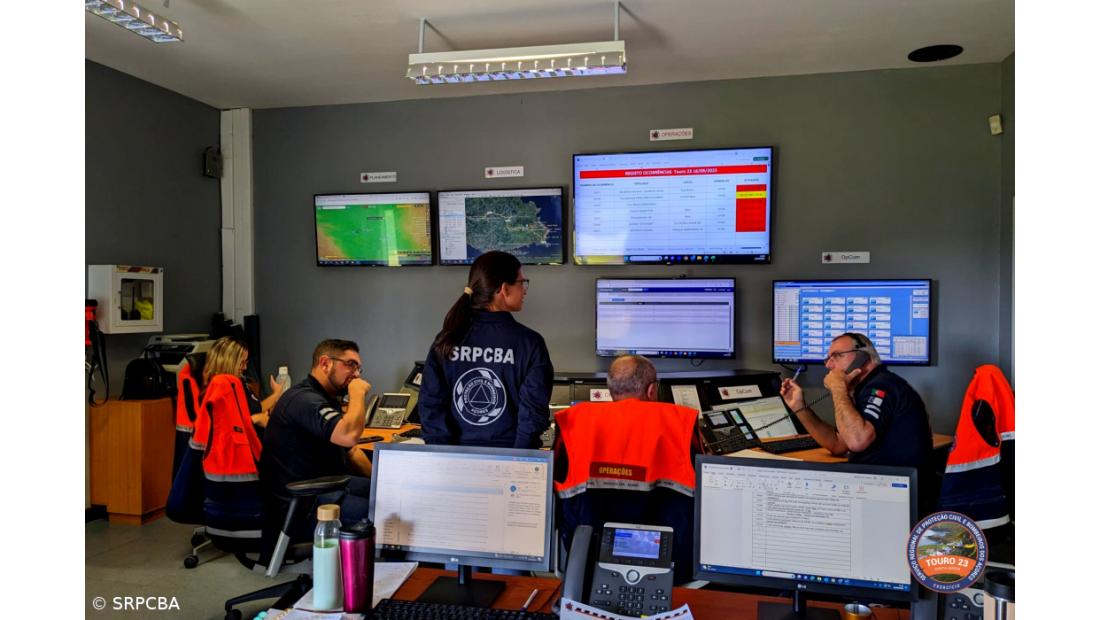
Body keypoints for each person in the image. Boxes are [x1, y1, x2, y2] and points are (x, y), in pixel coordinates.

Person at [552, 354, 700, 584]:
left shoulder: (573, 421)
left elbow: (555, 481)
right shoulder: (681, 422)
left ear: (610, 391)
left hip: (588, 564)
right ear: (652, 390)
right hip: (669, 568)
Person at [419, 250, 553, 449]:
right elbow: (532, 415)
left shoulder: (446, 339)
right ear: (503, 289)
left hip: (454, 462)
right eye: (521, 282)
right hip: (511, 461)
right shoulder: (530, 343)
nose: (524, 290)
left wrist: (443, 455)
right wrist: (518, 460)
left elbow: (431, 406)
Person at [259, 339, 373, 529]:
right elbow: (349, 435)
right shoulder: (304, 400)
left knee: (391, 497)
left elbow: (351, 450)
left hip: (327, 486)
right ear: (325, 363)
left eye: (359, 368)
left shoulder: (325, 399)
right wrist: (357, 393)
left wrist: (382, 482)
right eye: (351, 365)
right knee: (388, 513)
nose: (357, 374)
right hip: (302, 502)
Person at [779, 332, 932, 469]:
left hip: (894, 489)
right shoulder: (864, 388)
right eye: (827, 359)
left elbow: (857, 441)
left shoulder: (882, 386)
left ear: (862, 356)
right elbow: (838, 444)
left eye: (837, 355)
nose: (828, 365)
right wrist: (799, 406)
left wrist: (839, 388)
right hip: (876, 483)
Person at [202, 336, 285, 429]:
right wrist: (256, 418)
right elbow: (227, 427)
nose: (245, 367)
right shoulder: (218, 389)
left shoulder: (238, 382)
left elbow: (253, 407)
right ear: (229, 362)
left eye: (246, 362)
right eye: (242, 363)